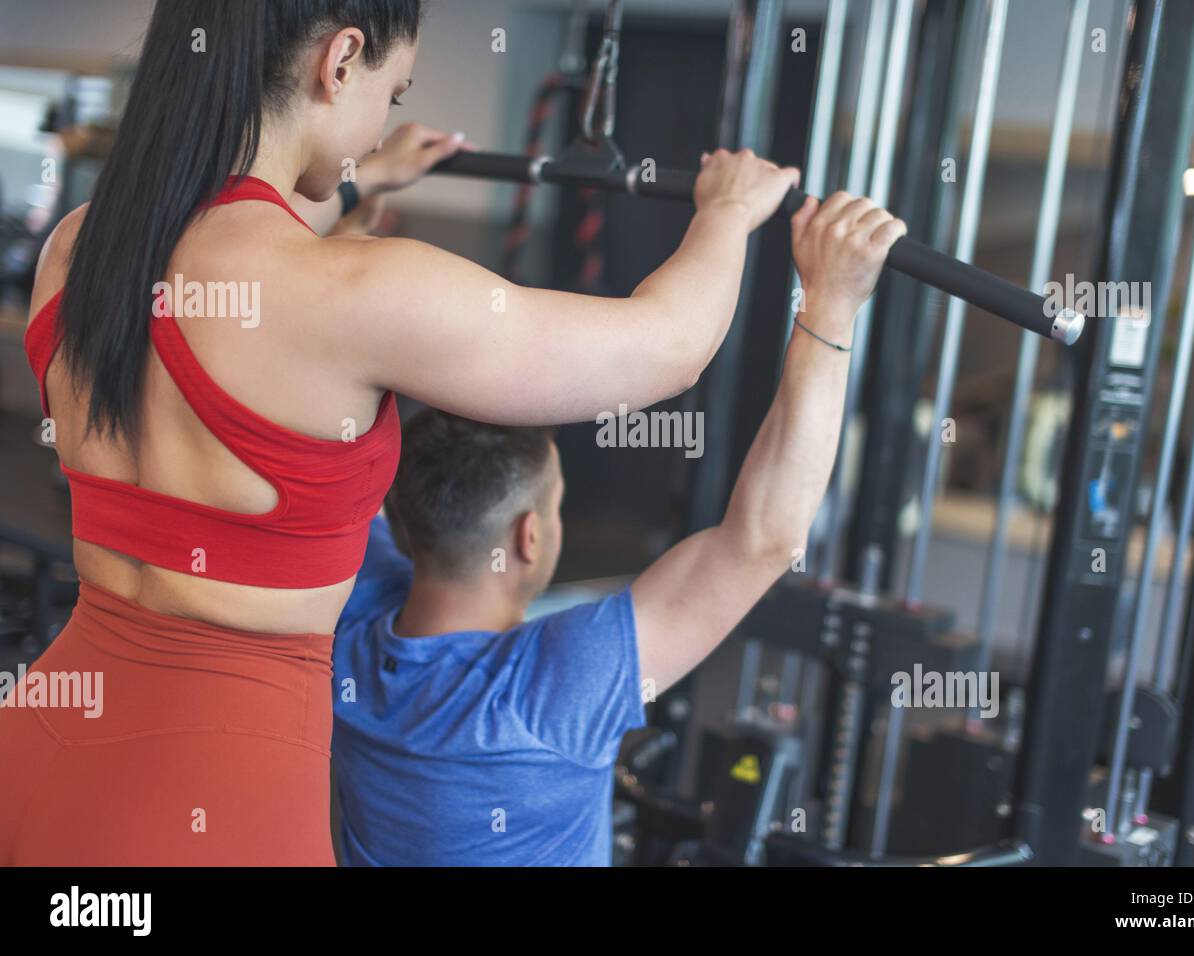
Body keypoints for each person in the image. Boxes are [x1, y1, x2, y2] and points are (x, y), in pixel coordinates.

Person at [0, 0, 799, 865]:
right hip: (220, 800)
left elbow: (232, 260)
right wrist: (727, 213)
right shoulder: (353, 290)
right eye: (391, 90)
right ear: (340, 61)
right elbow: (669, 349)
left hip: (45, 749)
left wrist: (353, 181)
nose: (379, 122)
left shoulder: (80, 249)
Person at [331, 191, 906, 865]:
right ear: (529, 537)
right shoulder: (555, 685)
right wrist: (830, 304)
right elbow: (765, 539)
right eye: (556, 503)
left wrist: (353, 212)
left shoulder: (347, 627)